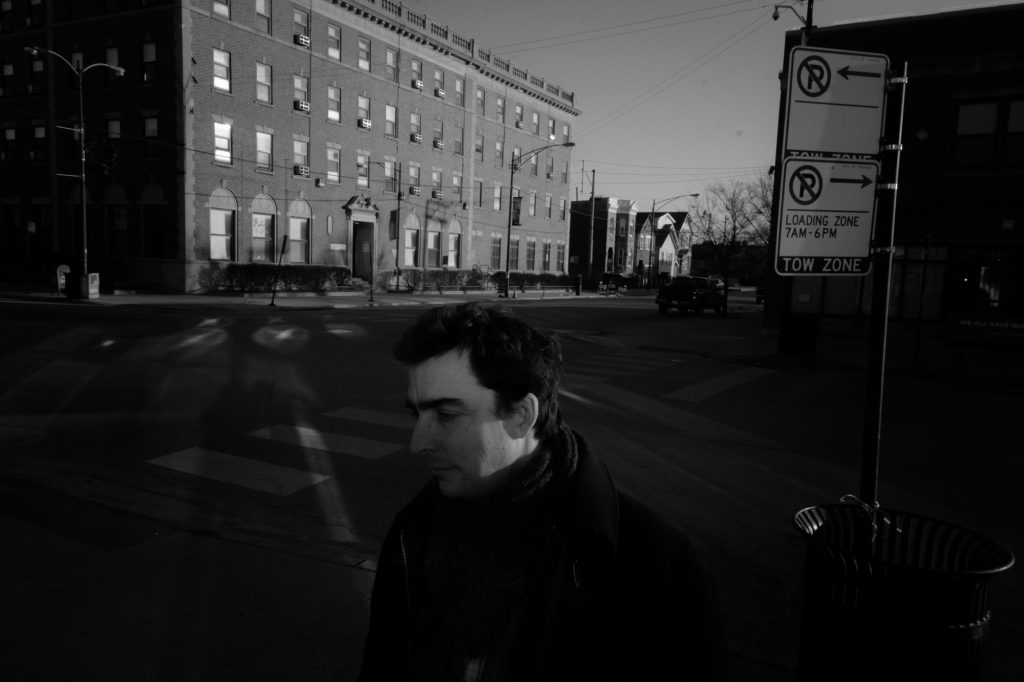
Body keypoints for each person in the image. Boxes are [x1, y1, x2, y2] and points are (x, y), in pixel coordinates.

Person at [359, 301, 728, 681]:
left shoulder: (653, 563)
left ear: (521, 416)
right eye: (416, 414)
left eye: (447, 415)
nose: (417, 442)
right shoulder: (413, 533)